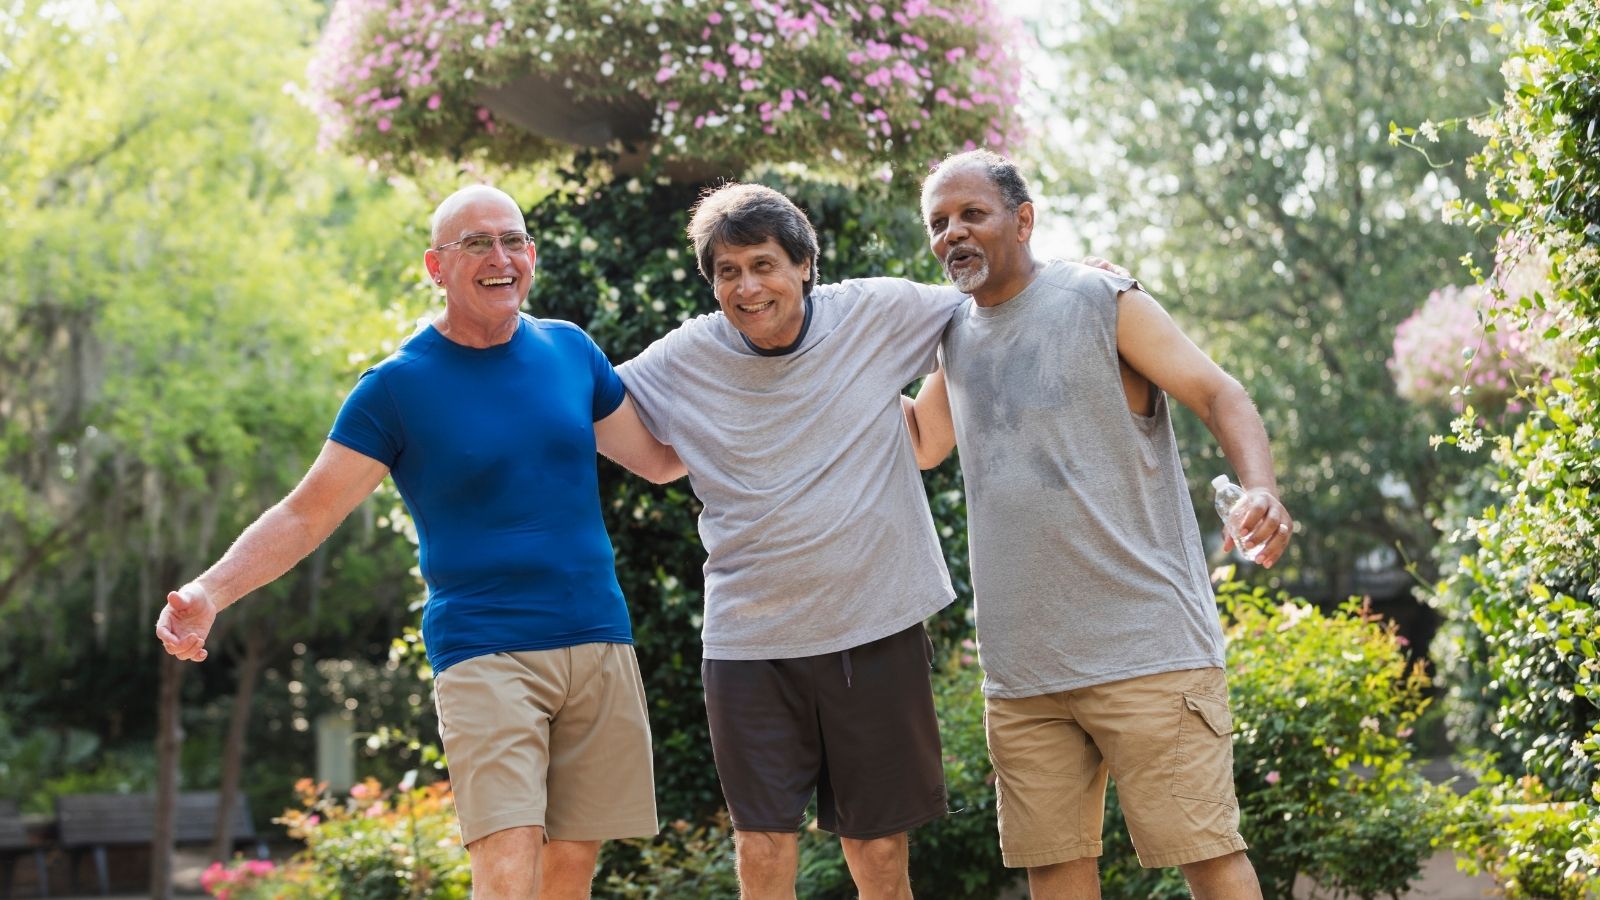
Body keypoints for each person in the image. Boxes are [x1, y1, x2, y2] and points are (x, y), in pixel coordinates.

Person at [154, 185, 684, 900]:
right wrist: (208, 591)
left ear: (530, 255)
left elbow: (658, 459)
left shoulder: (572, 352)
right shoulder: (397, 387)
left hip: (597, 639)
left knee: (570, 869)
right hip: (485, 649)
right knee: (506, 858)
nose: (501, 258)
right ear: (436, 266)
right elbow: (305, 515)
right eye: (476, 244)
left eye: (513, 241)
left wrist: (774, 396)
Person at [909, 149, 1294, 900]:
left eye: (971, 214)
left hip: (1145, 647)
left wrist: (1262, 489)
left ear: (1023, 220)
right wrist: (818, 372)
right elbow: (923, 442)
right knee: (1054, 870)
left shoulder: (1097, 296)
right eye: (938, 222)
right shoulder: (953, 333)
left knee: (1207, 855)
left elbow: (1220, 394)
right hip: (1024, 670)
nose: (952, 233)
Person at [616, 183, 966, 900]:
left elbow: (984, 307)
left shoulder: (873, 312)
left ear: (805, 263)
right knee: (762, 845)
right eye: (727, 271)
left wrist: (1088, 279)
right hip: (749, 642)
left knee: (879, 851)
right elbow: (607, 414)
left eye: (764, 264)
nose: (747, 287)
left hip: (874, 627)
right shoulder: (685, 355)